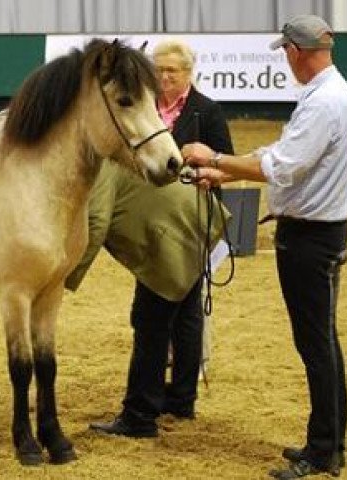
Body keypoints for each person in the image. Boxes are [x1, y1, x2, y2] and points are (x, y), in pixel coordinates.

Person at [182, 15, 347, 478]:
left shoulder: (324, 102)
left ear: (298, 51)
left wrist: (214, 157)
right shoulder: (331, 95)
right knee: (322, 340)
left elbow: (283, 167)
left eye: (285, 51)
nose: (284, 59)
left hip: (309, 238)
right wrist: (225, 173)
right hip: (321, 233)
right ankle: (328, 439)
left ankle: (324, 450)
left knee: (316, 343)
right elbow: (283, 153)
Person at [65, 39, 234, 438]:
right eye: (157, 70)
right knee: (186, 315)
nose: (162, 77)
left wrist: (66, 276)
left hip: (174, 231)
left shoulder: (196, 114)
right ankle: (180, 402)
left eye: (171, 70)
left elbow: (100, 216)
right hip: (185, 222)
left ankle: (140, 415)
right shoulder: (140, 118)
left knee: (152, 319)